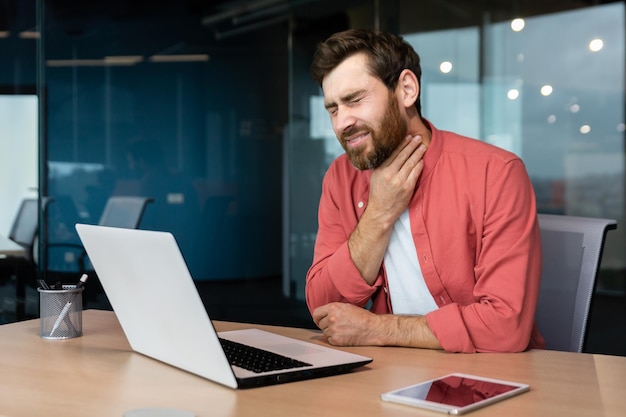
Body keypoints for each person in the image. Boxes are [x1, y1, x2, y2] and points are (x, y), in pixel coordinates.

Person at [305, 29, 545, 353]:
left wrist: (377, 328)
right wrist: (379, 214)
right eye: (333, 109)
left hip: (488, 375)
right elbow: (324, 307)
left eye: (355, 100)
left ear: (406, 89)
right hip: (387, 375)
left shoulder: (496, 173)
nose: (341, 123)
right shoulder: (339, 177)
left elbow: (504, 326)